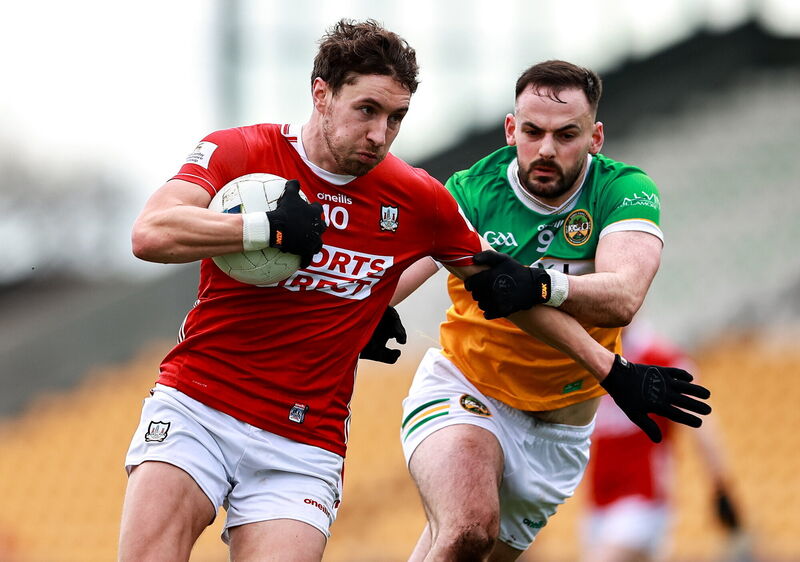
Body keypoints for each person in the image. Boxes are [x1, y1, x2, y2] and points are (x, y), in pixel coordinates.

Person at [120, 21, 708, 561]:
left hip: (303, 441)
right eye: (367, 110)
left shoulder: (418, 198)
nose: (380, 134)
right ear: (320, 94)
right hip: (199, 402)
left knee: (471, 540)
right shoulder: (244, 152)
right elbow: (150, 233)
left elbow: (506, 294)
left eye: (396, 117)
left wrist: (611, 369)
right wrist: (259, 227)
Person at [391, 60, 710, 561]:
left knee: (454, 549)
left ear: (595, 137)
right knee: (468, 528)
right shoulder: (473, 190)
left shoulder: (623, 190)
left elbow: (624, 296)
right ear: (510, 129)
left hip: (559, 435)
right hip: (468, 388)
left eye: (566, 135)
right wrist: (365, 311)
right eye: (533, 131)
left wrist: (539, 284)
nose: (545, 149)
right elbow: (404, 273)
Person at [581, 321, 745, 562]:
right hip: (598, 502)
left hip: (643, 500)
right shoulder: (593, 357)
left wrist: (721, 486)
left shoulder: (661, 358)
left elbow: (702, 424)